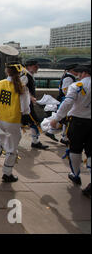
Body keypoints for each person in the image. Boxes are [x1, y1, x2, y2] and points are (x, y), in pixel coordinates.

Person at [0, 63, 31, 183]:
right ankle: (7, 173)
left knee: (0, 141)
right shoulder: (22, 87)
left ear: (6, 72)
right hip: (13, 120)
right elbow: (25, 108)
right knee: (12, 148)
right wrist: (26, 116)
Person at [50, 64, 90, 198]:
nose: (78, 75)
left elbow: (67, 103)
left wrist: (56, 118)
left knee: (75, 149)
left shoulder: (77, 86)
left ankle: (76, 174)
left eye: (80, 73)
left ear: (84, 73)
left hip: (77, 121)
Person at [45, 64, 79, 144]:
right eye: (76, 70)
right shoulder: (69, 78)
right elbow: (65, 90)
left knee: (65, 119)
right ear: (72, 70)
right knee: (65, 119)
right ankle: (62, 136)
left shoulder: (68, 76)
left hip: (65, 99)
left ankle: (58, 134)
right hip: (65, 100)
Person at [21, 60, 48, 150]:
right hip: (26, 104)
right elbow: (21, 88)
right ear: (29, 66)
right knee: (34, 122)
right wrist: (30, 97)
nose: (37, 68)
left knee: (30, 122)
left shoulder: (28, 75)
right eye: (35, 66)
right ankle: (35, 142)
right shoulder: (25, 76)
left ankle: (35, 141)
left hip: (27, 104)